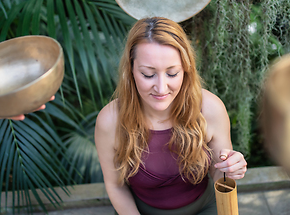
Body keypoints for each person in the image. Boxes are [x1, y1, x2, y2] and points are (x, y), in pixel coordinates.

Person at [95, 17, 247, 215]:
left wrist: (231, 169)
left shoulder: (210, 108)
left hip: (205, 207)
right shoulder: (110, 121)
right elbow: (116, 186)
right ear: (131, 70)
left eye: (172, 73)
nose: (161, 88)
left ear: (186, 68)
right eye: (148, 74)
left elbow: (220, 174)